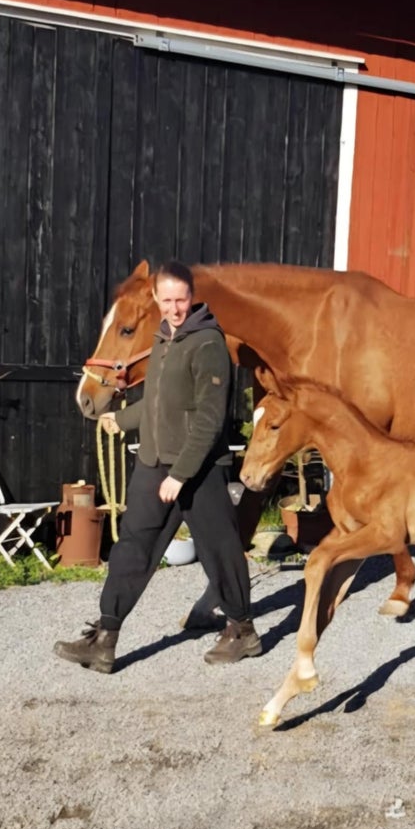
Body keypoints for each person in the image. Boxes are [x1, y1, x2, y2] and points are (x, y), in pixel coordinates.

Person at [55, 260, 261, 673]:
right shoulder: (163, 338)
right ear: (157, 300)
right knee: (132, 547)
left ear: (191, 297)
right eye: (166, 300)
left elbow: (208, 417)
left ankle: (242, 631)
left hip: (196, 469)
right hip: (153, 462)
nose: (174, 308)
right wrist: (123, 419)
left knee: (219, 547)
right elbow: (159, 401)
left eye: (180, 299)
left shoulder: (207, 343)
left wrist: (181, 474)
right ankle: (105, 638)